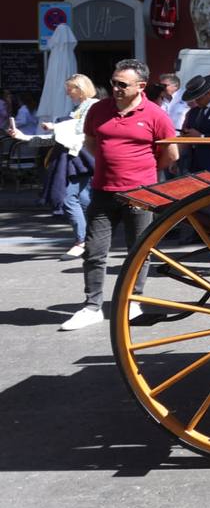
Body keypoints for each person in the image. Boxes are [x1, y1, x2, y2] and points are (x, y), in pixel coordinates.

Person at [60, 59, 178, 331]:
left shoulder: (156, 114)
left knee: (138, 252)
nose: (115, 88)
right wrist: (111, 163)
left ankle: (131, 302)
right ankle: (91, 307)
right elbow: (91, 142)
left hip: (140, 194)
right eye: (114, 82)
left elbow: (171, 154)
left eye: (122, 84)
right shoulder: (99, 109)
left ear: (141, 86)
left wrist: (143, 171)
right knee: (94, 251)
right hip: (102, 190)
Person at [6, 75, 98, 259]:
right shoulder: (77, 108)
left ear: (80, 88)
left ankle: (83, 241)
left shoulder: (92, 106)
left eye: (70, 88)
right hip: (76, 157)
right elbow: (58, 137)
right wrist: (24, 137)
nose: (67, 92)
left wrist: (56, 126)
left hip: (79, 158)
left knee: (68, 198)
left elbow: (77, 130)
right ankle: (93, 238)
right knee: (83, 199)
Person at [180, 74, 210, 175]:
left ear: (209, 93)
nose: (196, 101)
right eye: (195, 98)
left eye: (199, 98)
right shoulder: (194, 112)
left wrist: (201, 137)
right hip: (194, 164)